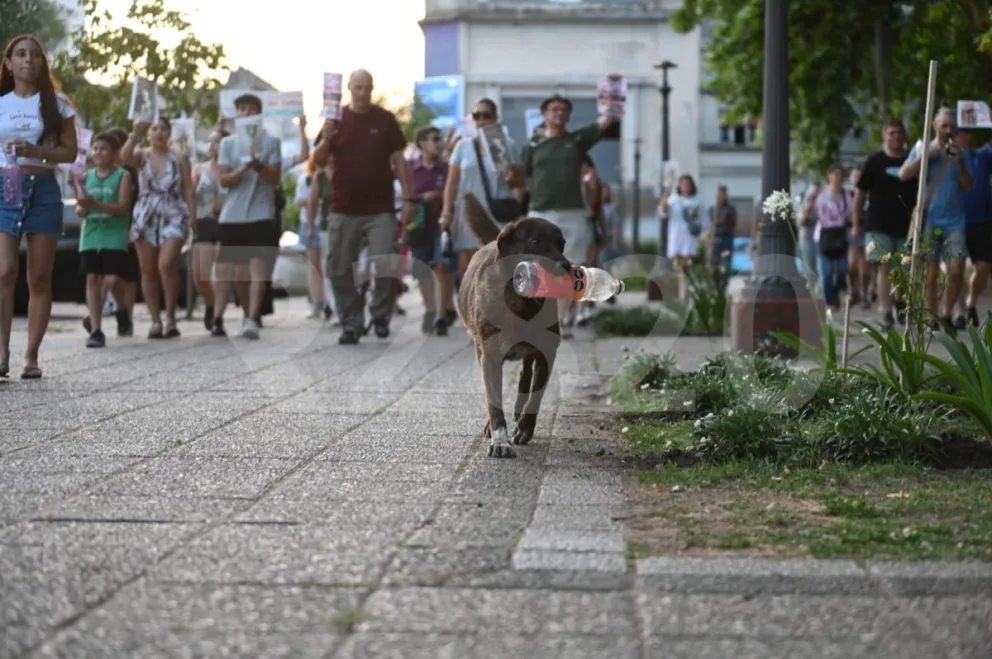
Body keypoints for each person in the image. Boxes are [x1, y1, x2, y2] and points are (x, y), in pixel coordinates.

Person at [311, 69, 412, 345]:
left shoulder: (385, 119)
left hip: (380, 208)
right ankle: (351, 323)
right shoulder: (335, 120)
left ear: (372, 88)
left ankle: (380, 314)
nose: (363, 92)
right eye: (358, 87)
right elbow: (318, 160)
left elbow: (399, 160)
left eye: (367, 87)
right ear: (349, 89)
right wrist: (328, 138)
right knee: (339, 268)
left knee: (386, 263)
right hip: (344, 208)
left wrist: (409, 198)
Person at [0, 35, 78, 379]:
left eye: (34, 55)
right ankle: (1, 354)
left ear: (42, 63)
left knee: (39, 275)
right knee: (4, 272)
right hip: (7, 186)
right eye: (20, 54)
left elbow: (70, 153)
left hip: (44, 189)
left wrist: (35, 152)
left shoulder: (57, 103)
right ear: (9, 63)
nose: (28, 60)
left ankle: (31, 356)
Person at [521, 93, 617, 331]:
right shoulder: (532, 146)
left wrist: (613, 95)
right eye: (554, 109)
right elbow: (521, 180)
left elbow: (606, 121)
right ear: (544, 114)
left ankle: (571, 312)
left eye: (563, 110)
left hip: (573, 213)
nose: (559, 113)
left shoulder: (576, 140)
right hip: (540, 212)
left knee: (575, 265)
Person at [212, 93, 282, 339]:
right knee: (238, 271)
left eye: (252, 109)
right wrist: (243, 168)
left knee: (257, 266)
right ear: (236, 113)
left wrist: (259, 165)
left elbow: (275, 178)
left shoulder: (271, 141)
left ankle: (253, 317)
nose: (247, 113)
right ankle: (242, 315)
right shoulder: (228, 144)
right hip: (233, 215)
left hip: (261, 212)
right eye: (242, 109)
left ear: (259, 114)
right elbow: (224, 179)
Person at [121, 116, 195, 339]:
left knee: (167, 264)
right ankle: (156, 320)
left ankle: (171, 316)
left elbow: (189, 189)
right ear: (149, 133)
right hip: (145, 213)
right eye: (154, 129)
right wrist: (134, 133)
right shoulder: (141, 155)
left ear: (169, 132)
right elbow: (123, 158)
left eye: (163, 128)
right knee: (148, 269)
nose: (159, 133)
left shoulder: (179, 158)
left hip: (173, 212)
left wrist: (193, 216)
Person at [899, 107, 973, 329]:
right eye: (944, 126)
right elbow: (903, 175)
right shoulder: (923, 148)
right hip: (929, 219)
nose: (949, 130)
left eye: (952, 127)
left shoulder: (962, 153)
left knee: (956, 270)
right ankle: (930, 318)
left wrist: (959, 162)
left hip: (955, 221)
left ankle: (947, 313)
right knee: (929, 274)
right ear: (934, 126)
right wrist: (925, 157)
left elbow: (969, 186)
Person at [440, 98, 522, 291]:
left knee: (497, 264)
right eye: (477, 116)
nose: (482, 120)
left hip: (497, 214)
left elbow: (520, 183)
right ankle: (474, 311)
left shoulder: (508, 145)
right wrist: (446, 212)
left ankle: (497, 310)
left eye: (487, 115)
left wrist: (512, 180)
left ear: (496, 118)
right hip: (468, 213)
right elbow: (451, 183)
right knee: (471, 266)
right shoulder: (463, 146)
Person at [853, 119, 916, 329]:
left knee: (902, 270)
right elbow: (859, 194)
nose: (896, 137)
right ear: (884, 136)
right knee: (883, 266)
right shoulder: (875, 162)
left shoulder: (912, 160)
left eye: (899, 133)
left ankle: (899, 300)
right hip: (878, 224)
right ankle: (885, 311)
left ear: (905, 135)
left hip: (906, 225)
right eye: (891, 133)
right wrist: (855, 223)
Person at [76, 132, 133, 347]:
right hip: (91, 233)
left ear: (115, 152)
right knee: (93, 278)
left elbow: (122, 207)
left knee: (112, 279)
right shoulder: (86, 176)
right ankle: (97, 330)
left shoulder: (122, 176)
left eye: (104, 148)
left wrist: (95, 204)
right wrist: (83, 207)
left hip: (114, 233)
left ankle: (121, 308)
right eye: (95, 148)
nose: (98, 152)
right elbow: (81, 209)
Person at [408, 125, 455, 334]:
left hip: (442, 224)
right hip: (418, 225)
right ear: (422, 144)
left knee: (441, 267)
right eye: (434, 139)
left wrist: (439, 196)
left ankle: (440, 314)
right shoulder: (410, 168)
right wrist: (419, 199)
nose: (438, 143)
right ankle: (430, 307)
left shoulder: (447, 168)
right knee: (421, 269)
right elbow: (400, 194)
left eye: (440, 139)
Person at [952, 126, 992, 328]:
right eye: (958, 132)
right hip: (955, 220)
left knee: (983, 267)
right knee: (956, 269)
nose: (963, 136)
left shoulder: (982, 156)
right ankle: (959, 313)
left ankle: (971, 303)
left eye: (966, 131)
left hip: (981, 221)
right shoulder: (946, 158)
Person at [191, 129, 227, 331]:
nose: (213, 145)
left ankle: (219, 318)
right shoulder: (198, 169)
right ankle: (211, 304)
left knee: (222, 273)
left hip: (225, 223)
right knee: (201, 276)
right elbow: (189, 194)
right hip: (203, 222)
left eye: (219, 141)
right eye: (211, 141)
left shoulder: (232, 168)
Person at [814, 164, 852, 313]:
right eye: (834, 174)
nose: (837, 178)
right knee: (827, 271)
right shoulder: (822, 195)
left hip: (841, 234)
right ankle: (830, 301)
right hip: (824, 235)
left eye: (840, 175)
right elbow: (821, 213)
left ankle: (836, 291)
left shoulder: (845, 194)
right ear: (829, 176)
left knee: (843, 268)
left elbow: (849, 212)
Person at [661, 174, 705, 301]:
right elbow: (663, 211)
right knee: (680, 270)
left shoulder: (697, 201)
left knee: (688, 270)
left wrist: (705, 237)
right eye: (683, 184)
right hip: (676, 239)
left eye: (688, 184)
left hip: (690, 239)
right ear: (679, 186)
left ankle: (686, 296)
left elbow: (703, 221)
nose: (685, 187)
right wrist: (665, 194)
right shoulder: (673, 200)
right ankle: (683, 295)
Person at [299, 157, 328, 319]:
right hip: (309, 224)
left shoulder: (331, 177)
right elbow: (301, 200)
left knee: (328, 264)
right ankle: (317, 303)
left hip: (326, 223)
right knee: (314, 266)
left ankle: (330, 302)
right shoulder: (305, 179)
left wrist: (314, 200)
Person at [708, 184, 737, 289]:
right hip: (716, 239)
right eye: (719, 194)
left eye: (723, 194)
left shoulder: (730, 209)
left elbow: (733, 225)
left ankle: (723, 285)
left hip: (726, 240)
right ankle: (715, 285)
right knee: (714, 265)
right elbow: (709, 225)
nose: (721, 196)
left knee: (725, 265)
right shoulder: (713, 209)